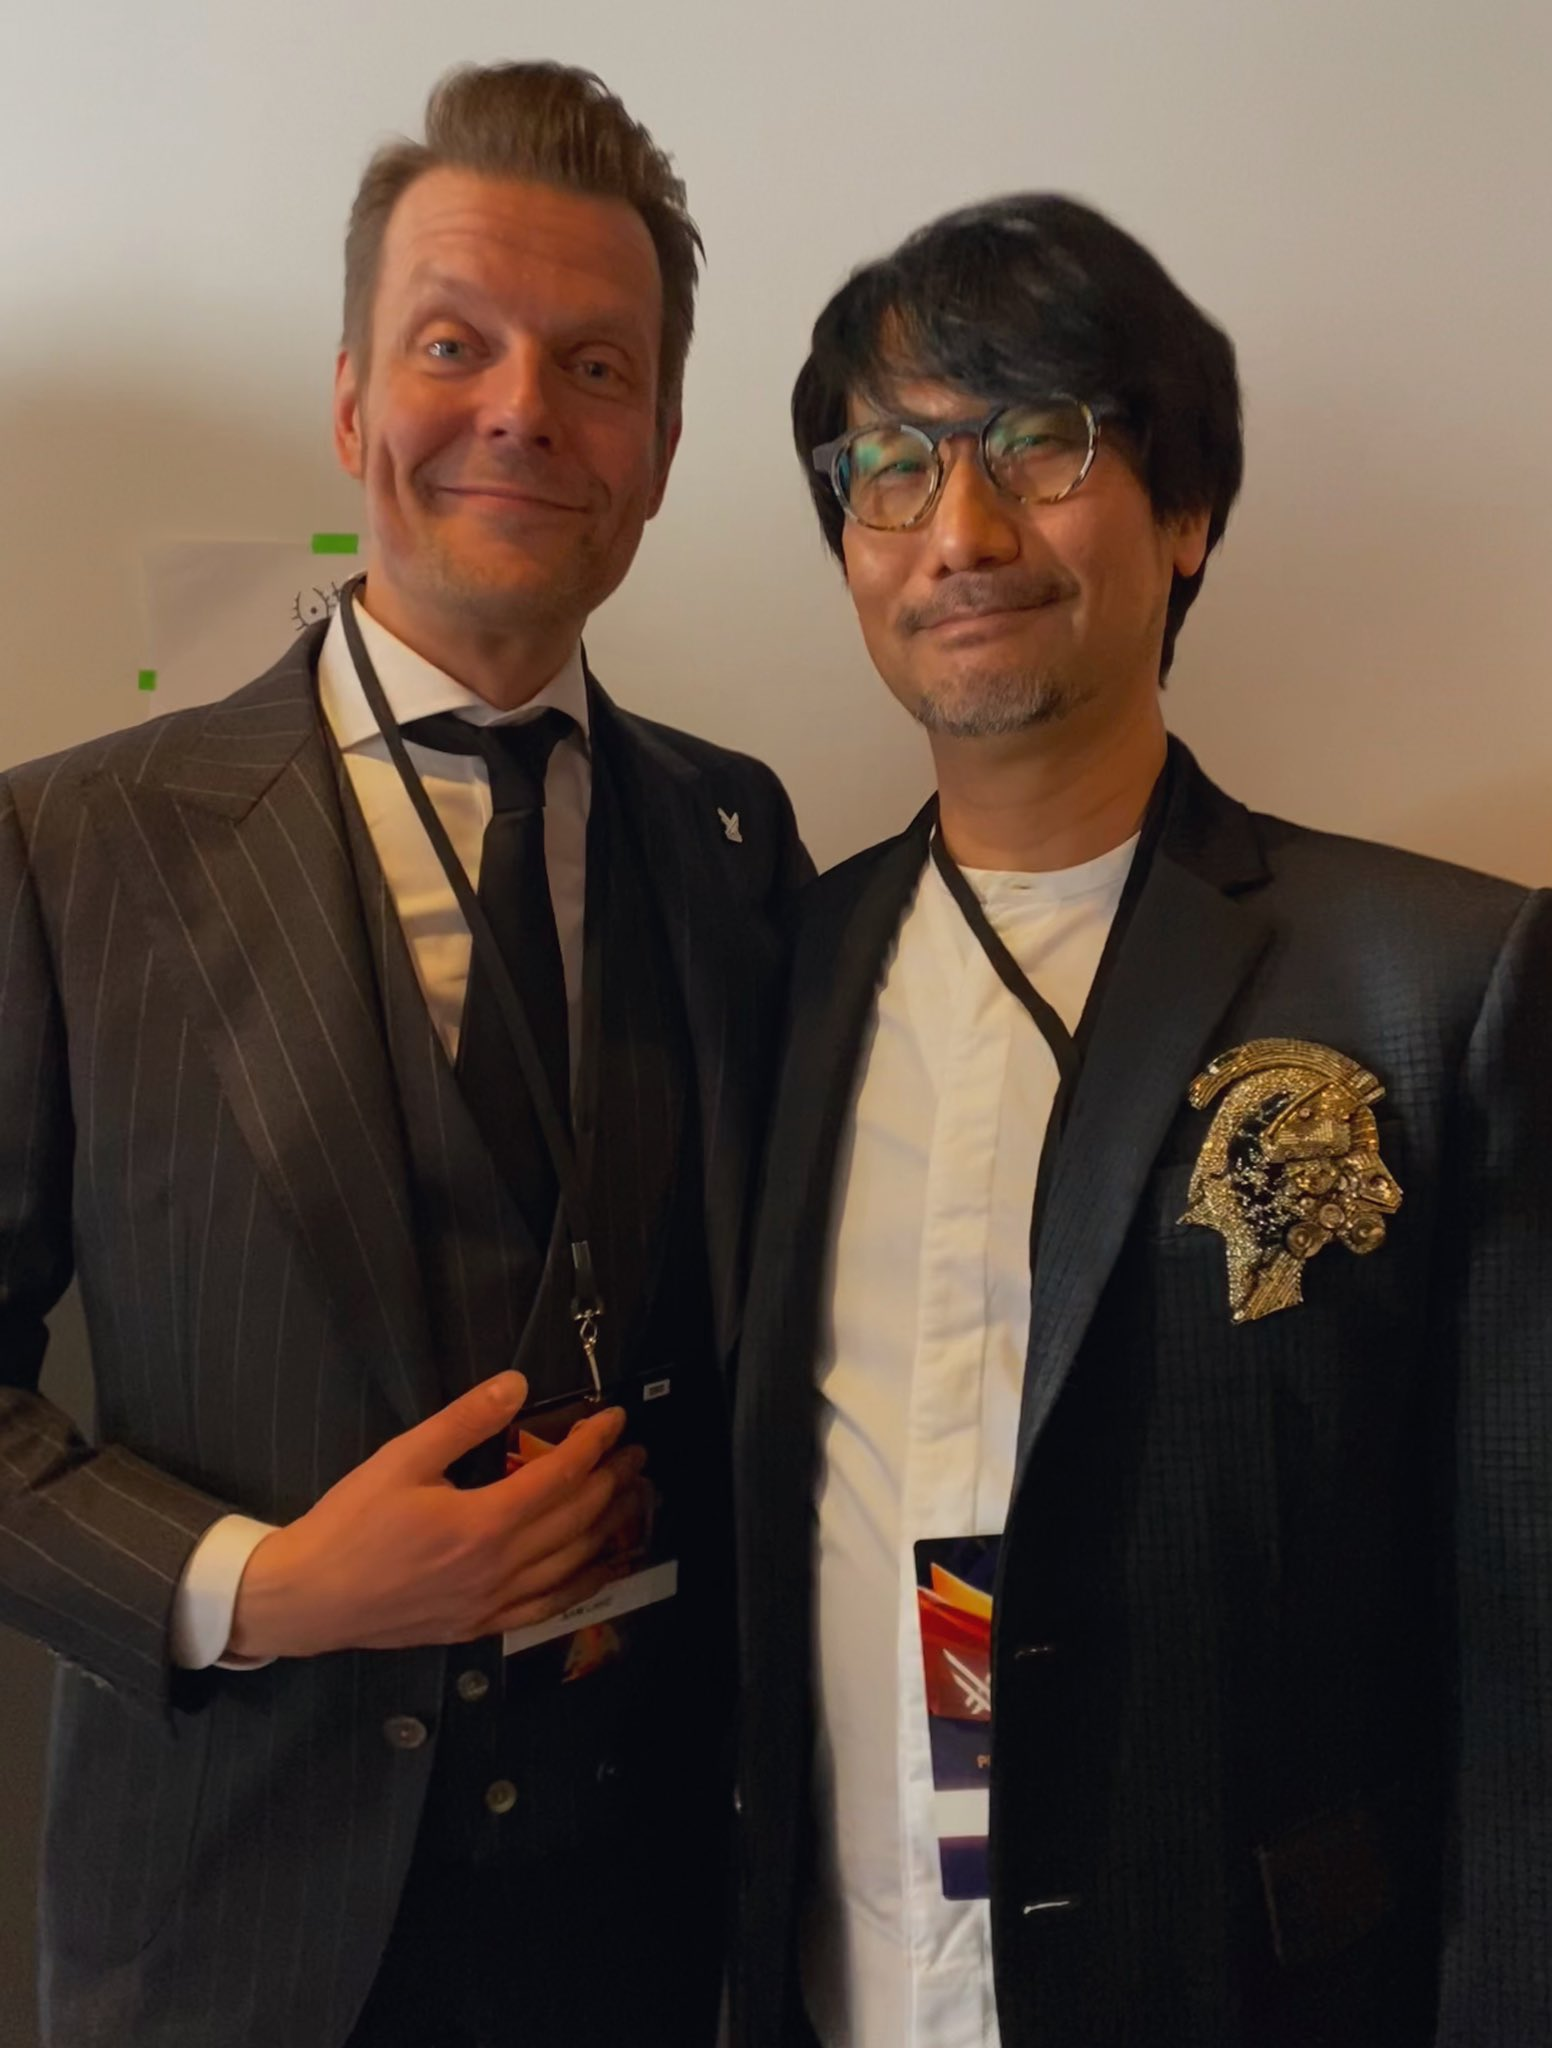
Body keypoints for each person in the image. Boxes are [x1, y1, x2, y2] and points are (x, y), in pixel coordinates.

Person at [0, 60, 807, 2048]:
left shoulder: (741, 841)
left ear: (659, 450)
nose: (523, 407)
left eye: (595, 368)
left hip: (649, 1942)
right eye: (456, 345)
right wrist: (259, 1585)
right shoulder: (69, 845)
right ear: (353, 402)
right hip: (231, 1940)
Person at [732, 193, 1552, 2048]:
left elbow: (1529, 1637)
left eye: (1040, 443)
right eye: (892, 467)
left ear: (1185, 515)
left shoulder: (1438, 982)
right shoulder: (771, 974)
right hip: (847, 1979)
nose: (962, 531)